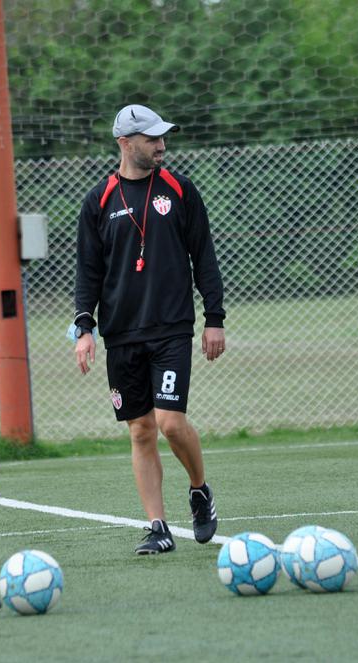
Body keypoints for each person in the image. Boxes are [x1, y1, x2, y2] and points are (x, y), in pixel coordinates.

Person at [73, 104, 225, 555]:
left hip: (171, 328)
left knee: (170, 422)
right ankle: (157, 526)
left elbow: (206, 258)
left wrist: (214, 319)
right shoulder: (98, 200)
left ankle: (199, 490)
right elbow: (87, 272)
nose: (161, 145)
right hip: (121, 334)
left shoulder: (180, 190)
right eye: (151, 138)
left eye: (163, 137)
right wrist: (85, 328)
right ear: (125, 143)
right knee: (140, 430)